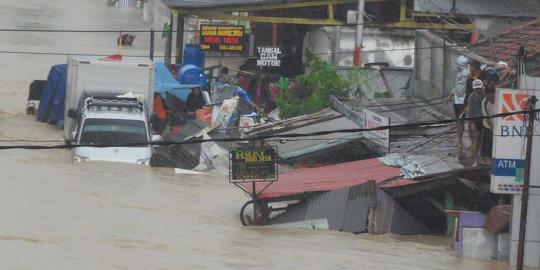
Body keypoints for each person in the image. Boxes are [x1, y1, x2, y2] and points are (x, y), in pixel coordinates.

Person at [448, 56, 470, 158]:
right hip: (456, 100)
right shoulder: (459, 73)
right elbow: (457, 85)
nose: (457, 66)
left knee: (461, 121)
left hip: (463, 101)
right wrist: (451, 94)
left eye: (458, 64)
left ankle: (461, 141)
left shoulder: (467, 73)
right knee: (458, 121)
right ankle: (459, 140)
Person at [467, 79, 485, 166]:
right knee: (476, 139)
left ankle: (480, 157)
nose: (478, 90)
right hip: (475, 120)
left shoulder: (485, 94)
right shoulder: (472, 96)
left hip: (485, 120)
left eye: (479, 88)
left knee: (483, 139)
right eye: (476, 89)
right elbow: (470, 111)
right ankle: (475, 159)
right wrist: (472, 124)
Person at [480, 86, 496, 164]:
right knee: (488, 142)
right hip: (488, 125)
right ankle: (486, 158)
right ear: (487, 95)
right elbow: (486, 117)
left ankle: (491, 158)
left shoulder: (500, 99)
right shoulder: (485, 102)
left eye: (492, 96)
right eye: (489, 96)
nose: (491, 98)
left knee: (495, 143)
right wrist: (492, 127)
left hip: (497, 125)